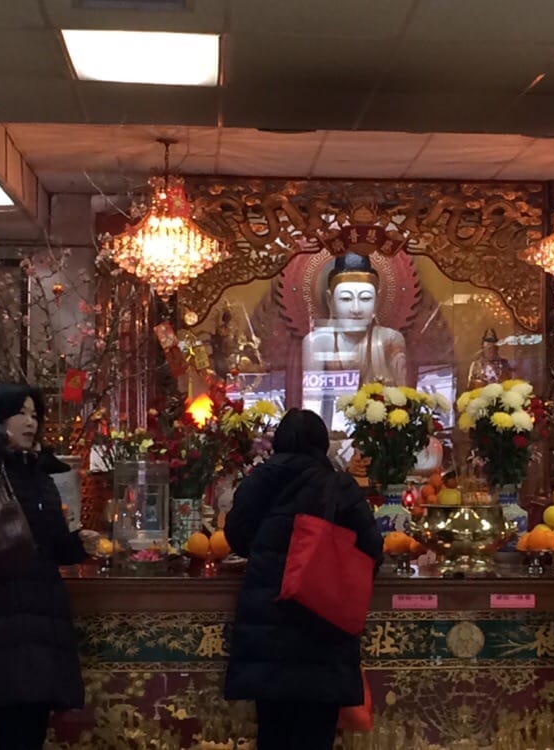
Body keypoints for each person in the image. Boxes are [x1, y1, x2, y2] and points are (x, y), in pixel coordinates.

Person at [224, 408, 383, 750]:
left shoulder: (259, 480)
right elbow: (372, 548)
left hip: (268, 622)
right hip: (322, 625)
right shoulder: (339, 485)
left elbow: (236, 537)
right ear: (322, 444)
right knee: (316, 733)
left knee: (273, 731)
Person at [0, 382, 99, 750]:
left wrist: (78, 545)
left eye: (34, 415)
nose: (31, 422)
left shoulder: (39, 473)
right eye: (21, 413)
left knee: (29, 729)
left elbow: (52, 545)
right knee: (8, 728)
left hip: (41, 619)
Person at [302, 253, 408, 387]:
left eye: (365, 298)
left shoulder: (390, 339)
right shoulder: (316, 342)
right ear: (330, 301)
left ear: (377, 301)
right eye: (346, 299)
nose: (356, 309)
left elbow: (402, 397)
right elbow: (313, 399)